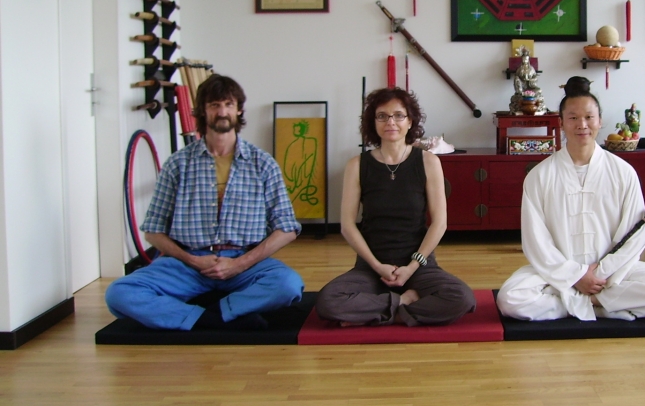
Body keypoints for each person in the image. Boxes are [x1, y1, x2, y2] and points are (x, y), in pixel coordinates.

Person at [105, 75, 304, 330]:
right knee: (119, 294)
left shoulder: (263, 163)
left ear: (239, 109)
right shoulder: (178, 164)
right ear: (202, 111)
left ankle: (206, 314)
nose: (222, 112)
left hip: (245, 260)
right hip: (188, 263)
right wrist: (192, 260)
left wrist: (239, 264)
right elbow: (153, 231)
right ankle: (210, 318)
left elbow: (287, 229)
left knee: (288, 285)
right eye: (214, 105)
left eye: (228, 104)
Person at [497, 82, 645, 321]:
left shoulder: (623, 172)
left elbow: (634, 236)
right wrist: (575, 276)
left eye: (588, 117)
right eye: (573, 118)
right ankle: (599, 306)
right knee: (510, 298)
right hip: (556, 272)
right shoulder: (540, 176)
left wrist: (599, 274)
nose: (582, 125)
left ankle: (579, 303)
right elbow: (536, 241)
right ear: (561, 123)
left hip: (612, 275)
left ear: (600, 120)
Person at [315, 88, 475, 326]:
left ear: (410, 121)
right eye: (382, 116)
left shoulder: (429, 162)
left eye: (399, 115)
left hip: (419, 264)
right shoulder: (357, 165)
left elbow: (440, 223)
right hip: (371, 265)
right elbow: (348, 226)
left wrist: (411, 267)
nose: (391, 122)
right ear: (374, 122)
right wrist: (377, 266)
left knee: (461, 298)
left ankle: (377, 308)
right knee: (328, 301)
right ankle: (404, 303)